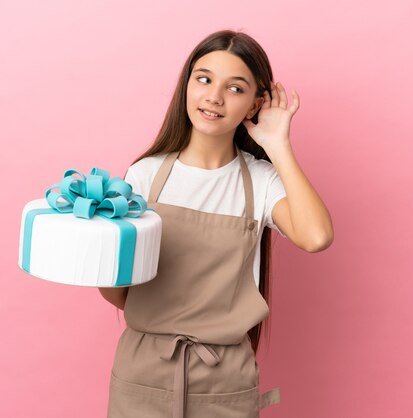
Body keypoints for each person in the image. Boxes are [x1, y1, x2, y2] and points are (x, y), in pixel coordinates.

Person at [99, 29, 334, 418]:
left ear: (256, 102)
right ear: (187, 84)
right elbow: (119, 293)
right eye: (204, 79)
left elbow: (317, 236)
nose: (214, 97)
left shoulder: (261, 180)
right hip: (141, 372)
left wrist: (278, 145)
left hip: (224, 378)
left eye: (235, 88)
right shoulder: (144, 176)